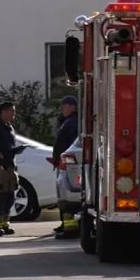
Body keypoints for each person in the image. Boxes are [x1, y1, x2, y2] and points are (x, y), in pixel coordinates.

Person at [0, 102, 27, 238]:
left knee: (9, 196)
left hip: (9, 165)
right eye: (12, 112)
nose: (14, 115)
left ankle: (4, 224)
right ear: (4, 112)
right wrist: (2, 156)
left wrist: (15, 151)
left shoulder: (9, 127)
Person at [52, 95, 80, 239]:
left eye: (65, 105)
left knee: (67, 195)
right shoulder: (68, 122)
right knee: (63, 194)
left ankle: (70, 227)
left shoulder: (72, 123)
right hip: (64, 163)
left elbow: (69, 145)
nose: (63, 108)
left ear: (73, 107)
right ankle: (66, 224)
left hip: (68, 165)